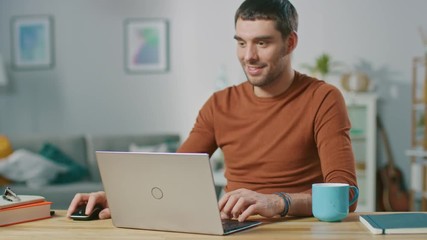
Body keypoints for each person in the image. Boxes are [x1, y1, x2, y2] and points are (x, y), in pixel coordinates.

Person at [67, 0, 357, 222]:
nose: (248, 56)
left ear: (290, 43)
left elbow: (347, 195)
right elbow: (174, 175)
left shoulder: (324, 98)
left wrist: (275, 202)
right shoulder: (220, 104)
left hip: (298, 229)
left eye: (262, 43)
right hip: (234, 228)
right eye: (241, 43)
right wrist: (119, 197)